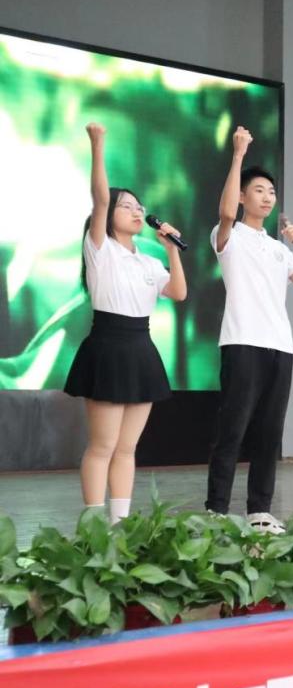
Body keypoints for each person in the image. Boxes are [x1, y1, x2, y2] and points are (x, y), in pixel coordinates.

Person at [64, 122, 187, 522]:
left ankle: (120, 522)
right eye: (127, 206)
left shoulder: (148, 260)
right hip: (108, 345)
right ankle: (92, 524)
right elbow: (100, 199)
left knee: (127, 448)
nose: (137, 211)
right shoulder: (100, 249)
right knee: (102, 445)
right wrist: (97, 145)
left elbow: (179, 292)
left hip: (140, 348)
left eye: (139, 206)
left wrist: (172, 250)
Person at [205, 126, 293, 533]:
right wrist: (238, 154)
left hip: (280, 347)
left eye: (271, 192)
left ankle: (259, 510)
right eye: (258, 190)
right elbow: (224, 214)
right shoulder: (228, 236)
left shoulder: (278, 248)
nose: (267, 197)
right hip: (242, 343)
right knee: (233, 430)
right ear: (242, 196)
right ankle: (216, 510)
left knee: (270, 433)